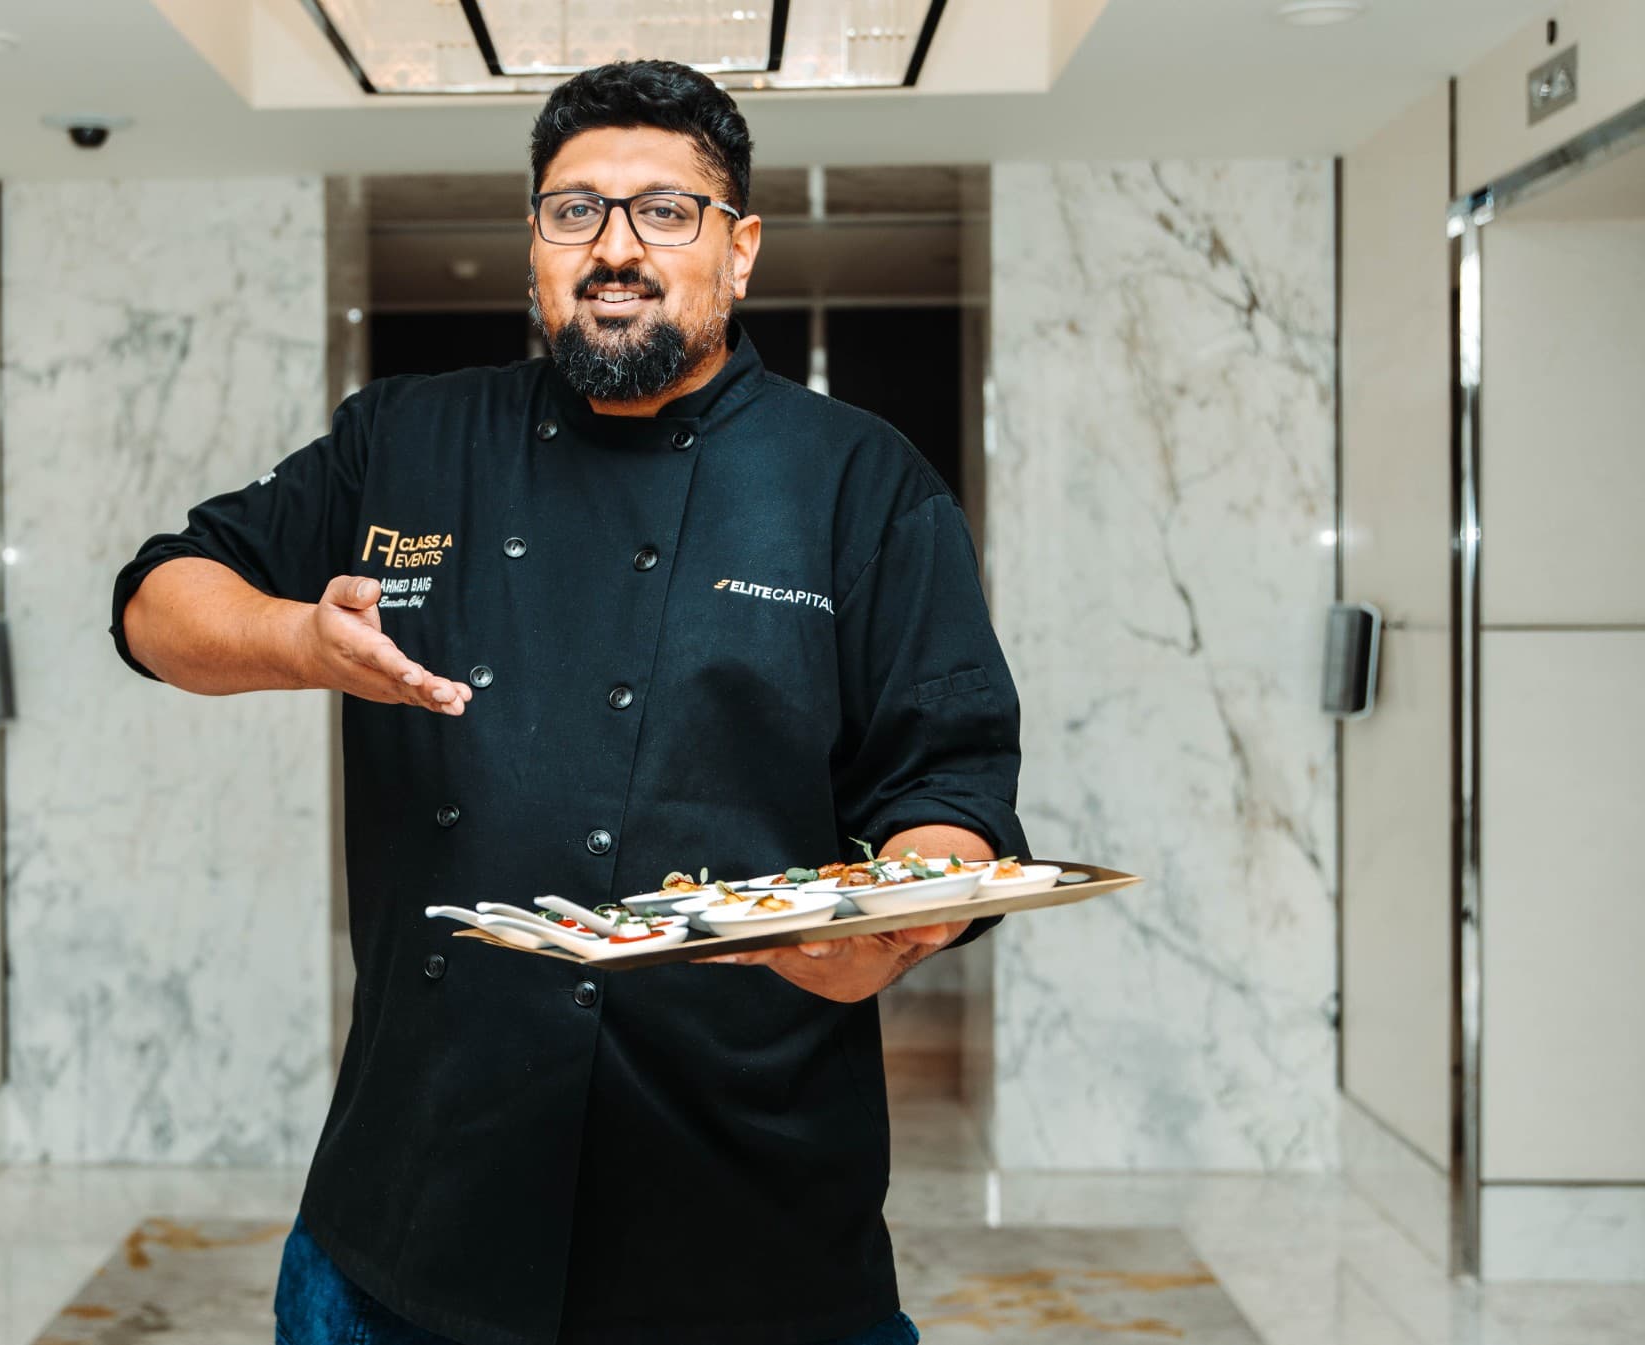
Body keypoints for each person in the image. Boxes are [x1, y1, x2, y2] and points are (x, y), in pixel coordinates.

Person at [113, 59, 1027, 1345]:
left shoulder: (860, 482)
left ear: (740, 247)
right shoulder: (408, 439)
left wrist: (882, 927)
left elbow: (951, 785)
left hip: (752, 1225)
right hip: (413, 1210)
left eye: (665, 211)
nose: (614, 248)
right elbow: (158, 601)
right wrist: (295, 638)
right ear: (534, 243)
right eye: (573, 210)